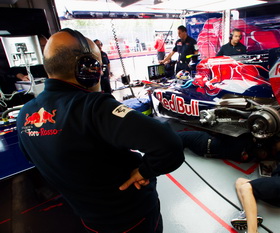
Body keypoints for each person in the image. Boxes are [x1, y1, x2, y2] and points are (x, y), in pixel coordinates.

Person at [16, 29, 185, 233]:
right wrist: (143, 171)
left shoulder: (25, 114)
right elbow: (169, 145)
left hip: (90, 221)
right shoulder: (94, 107)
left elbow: (35, 159)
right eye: (99, 65)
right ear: (89, 68)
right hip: (133, 219)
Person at [178, 130, 272, 162]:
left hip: (204, 141)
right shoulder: (248, 158)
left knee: (177, 137)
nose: (263, 154)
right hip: (204, 151)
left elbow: (221, 134)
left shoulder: (246, 144)